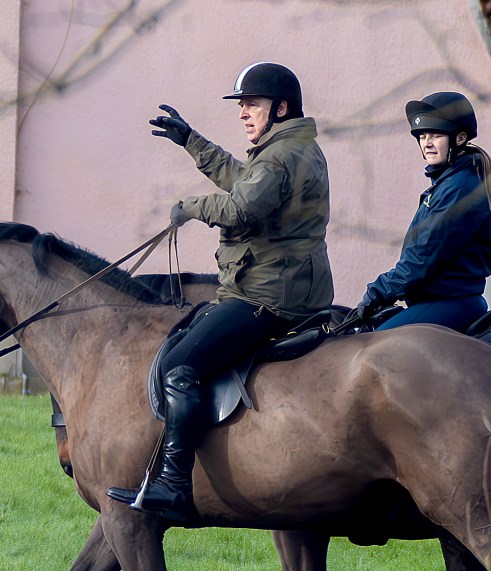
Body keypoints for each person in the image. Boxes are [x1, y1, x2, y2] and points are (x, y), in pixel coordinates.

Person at [107, 62, 334, 521]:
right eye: (241, 105)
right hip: (286, 289)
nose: (244, 113)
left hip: (266, 296)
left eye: (252, 104)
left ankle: (173, 486)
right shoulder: (291, 148)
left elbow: (241, 209)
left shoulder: (279, 157)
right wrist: (191, 140)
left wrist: (189, 206)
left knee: (177, 364)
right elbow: (241, 180)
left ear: (281, 107)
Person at [353, 92, 491, 333]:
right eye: (422, 135)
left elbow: (422, 258)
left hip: (449, 303)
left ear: (460, 138)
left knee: (374, 347)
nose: (427, 142)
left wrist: (377, 293)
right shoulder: (447, 183)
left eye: (436, 135)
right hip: (437, 301)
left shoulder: (459, 187)